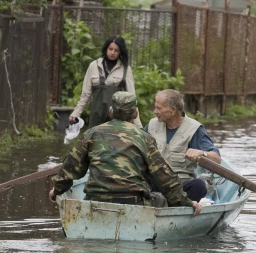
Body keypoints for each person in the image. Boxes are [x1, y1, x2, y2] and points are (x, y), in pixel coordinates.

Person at [50, 91, 202, 216]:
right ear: (135, 114)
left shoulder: (91, 134)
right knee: (162, 198)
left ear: (111, 112)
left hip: (95, 200)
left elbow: (70, 168)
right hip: (134, 203)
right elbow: (164, 177)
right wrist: (187, 203)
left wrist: (57, 190)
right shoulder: (145, 138)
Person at [145, 89, 221, 202]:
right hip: (155, 185)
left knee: (199, 186)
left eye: (159, 108)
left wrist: (202, 153)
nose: (155, 111)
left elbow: (217, 160)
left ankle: (182, 207)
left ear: (173, 110)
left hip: (181, 187)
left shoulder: (194, 129)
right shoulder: (152, 125)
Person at [69, 36, 143, 129]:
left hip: (118, 118)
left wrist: (138, 125)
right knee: (95, 141)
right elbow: (86, 94)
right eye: (110, 49)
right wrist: (76, 113)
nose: (112, 52)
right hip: (97, 115)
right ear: (106, 49)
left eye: (116, 50)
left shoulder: (125, 68)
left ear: (120, 52)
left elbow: (132, 98)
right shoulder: (94, 66)